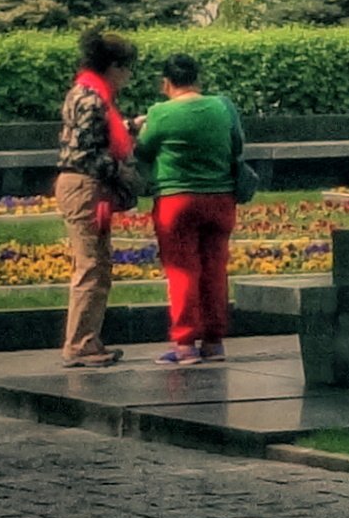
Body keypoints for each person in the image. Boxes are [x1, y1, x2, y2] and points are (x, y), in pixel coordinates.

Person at [137, 52, 255, 368]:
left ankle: (186, 344)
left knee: (182, 270)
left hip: (176, 200)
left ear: (166, 82)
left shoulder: (161, 113)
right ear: (197, 78)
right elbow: (237, 144)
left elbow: (143, 151)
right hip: (220, 199)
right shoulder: (223, 106)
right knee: (215, 269)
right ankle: (214, 341)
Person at [53, 28, 139, 365]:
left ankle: (87, 340)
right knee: (92, 266)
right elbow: (85, 154)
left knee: (97, 263)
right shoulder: (91, 98)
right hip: (85, 187)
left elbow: (93, 137)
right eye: (127, 68)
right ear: (113, 66)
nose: (128, 76)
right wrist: (122, 174)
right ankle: (80, 344)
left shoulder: (85, 92)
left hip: (84, 188)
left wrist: (130, 126)